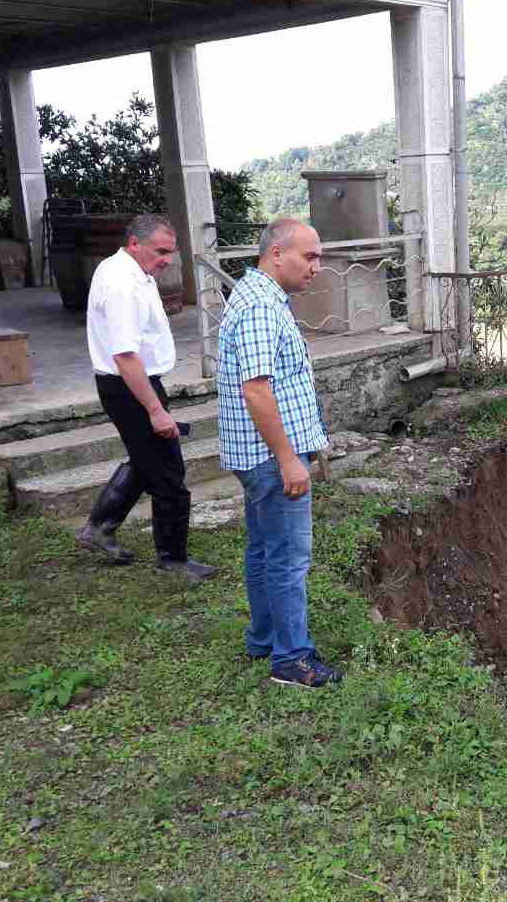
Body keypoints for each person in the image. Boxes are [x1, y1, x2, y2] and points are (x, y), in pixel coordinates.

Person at [217, 218, 341, 688]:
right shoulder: (260, 309)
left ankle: (265, 638)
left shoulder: (261, 299)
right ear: (276, 254)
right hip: (270, 456)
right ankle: (291, 659)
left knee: (265, 550)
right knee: (288, 555)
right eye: (309, 257)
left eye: (319, 258)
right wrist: (289, 458)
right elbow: (256, 391)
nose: (317, 267)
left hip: (259, 454)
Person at [75, 213, 217, 582]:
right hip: (129, 385)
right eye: (161, 251)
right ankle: (173, 560)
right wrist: (154, 409)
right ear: (135, 243)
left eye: (171, 252)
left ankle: (99, 527)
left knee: (145, 460)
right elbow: (124, 355)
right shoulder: (122, 282)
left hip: (135, 382)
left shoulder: (133, 272)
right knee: (169, 473)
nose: (167, 259)